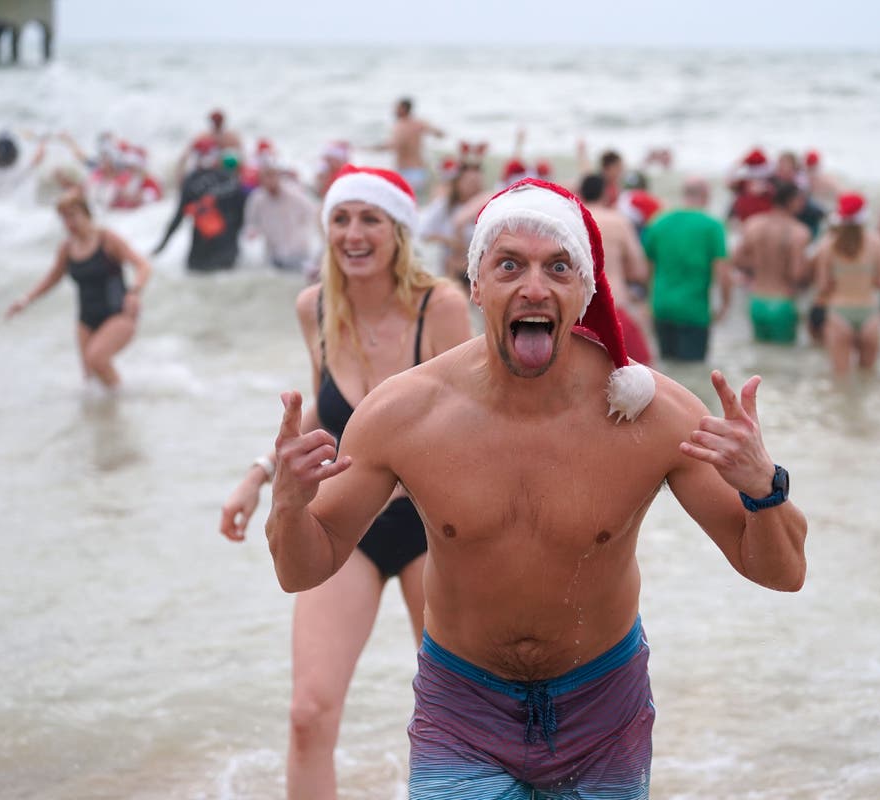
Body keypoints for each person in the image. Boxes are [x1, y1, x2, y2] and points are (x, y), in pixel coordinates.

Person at [263, 177, 808, 799]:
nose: (533, 287)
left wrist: (764, 487)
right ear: (475, 284)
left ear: (585, 290)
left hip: (603, 707)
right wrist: (288, 505)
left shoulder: (655, 415)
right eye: (509, 265)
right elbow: (302, 570)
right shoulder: (404, 414)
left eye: (558, 267)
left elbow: (783, 573)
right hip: (462, 706)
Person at [220, 165, 473, 800]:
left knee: (456, 722)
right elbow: (326, 414)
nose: (353, 234)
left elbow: (471, 427)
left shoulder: (439, 307)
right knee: (308, 714)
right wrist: (258, 473)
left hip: (432, 529)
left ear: (399, 231)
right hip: (343, 526)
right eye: (341, 219)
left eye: (369, 219)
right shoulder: (314, 307)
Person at [5, 188, 151, 389]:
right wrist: (25, 300)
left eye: (72, 215)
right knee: (89, 379)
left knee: (97, 359)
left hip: (119, 314)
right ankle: (104, 408)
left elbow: (143, 265)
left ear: (86, 213)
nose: (69, 223)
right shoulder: (67, 248)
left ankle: (121, 401)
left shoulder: (107, 239)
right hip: (86, 320)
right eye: (64, 218)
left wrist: (135, 292)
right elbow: (52, 279)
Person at [643, 176, 731, 362]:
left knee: (667, 369)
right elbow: (722, 272)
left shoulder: (658, 222)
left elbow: (647, 268)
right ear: (706, 196)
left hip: (662, 307)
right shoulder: (712, 226)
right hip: (694, 311)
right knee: (692, 370)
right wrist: (724, 305)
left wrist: (649, 302)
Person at [810, 193, 880, 374]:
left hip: (839, 312)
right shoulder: (878, 242)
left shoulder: (827, 245)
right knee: (868, 375)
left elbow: (822, 285)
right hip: (870, 312)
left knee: (840, 377)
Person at [578, 173, 653, 364]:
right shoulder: (618, 221)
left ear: (581, 193)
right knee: (638, 371)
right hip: (614, 304)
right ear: (605, 194)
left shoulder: (572, 219)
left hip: (577, 309)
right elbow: (639, 271)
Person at [731, 181, 811, 344]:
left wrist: (760, 265)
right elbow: (796, 273)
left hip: (756, 301)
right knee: (782, 355)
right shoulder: (799, 231)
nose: (803, 204)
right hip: (782, 301)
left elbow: (737, 260)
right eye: (800, 200)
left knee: (761, 352)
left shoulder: (753, 224)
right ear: (790, 201)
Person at [153, 137, 248, 272]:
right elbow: (243, 215)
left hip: (202, 253)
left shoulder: (191, 181)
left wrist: (161, 247)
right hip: (227, 250)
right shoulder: (230, 178)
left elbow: (179, 217)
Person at [242, 157, 320, 273]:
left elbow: (314, 212)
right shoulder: (257, 199)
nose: (269, 180)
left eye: (272, 175)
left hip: (298, 251)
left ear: (279, 176)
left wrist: (304, 226)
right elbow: (250, 223)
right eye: (265, 176)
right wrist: (252, 231)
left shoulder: (294, 193)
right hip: (273, 253)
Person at [373, 97, 444, 200]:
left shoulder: (399, 126)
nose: (394, 110)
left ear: (403, 109)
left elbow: (392, 145)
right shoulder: (419, 123)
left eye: (397, 108)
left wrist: (371, 149)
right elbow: (439, 133)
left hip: (406, 173)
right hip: (421, 172)